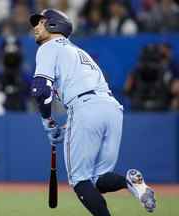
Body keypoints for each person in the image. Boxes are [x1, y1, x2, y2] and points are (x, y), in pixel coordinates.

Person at [29, 9, 156, 216]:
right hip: (111, 108)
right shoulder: (78, 51)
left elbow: (41, 89)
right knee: (98, 179)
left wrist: (47, 121)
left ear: (54, 24)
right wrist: (70, 124)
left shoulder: (48, 47)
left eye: (41, 22)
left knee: (80, 181)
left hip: (85, 107)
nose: (35, 27)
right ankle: (131, 182)